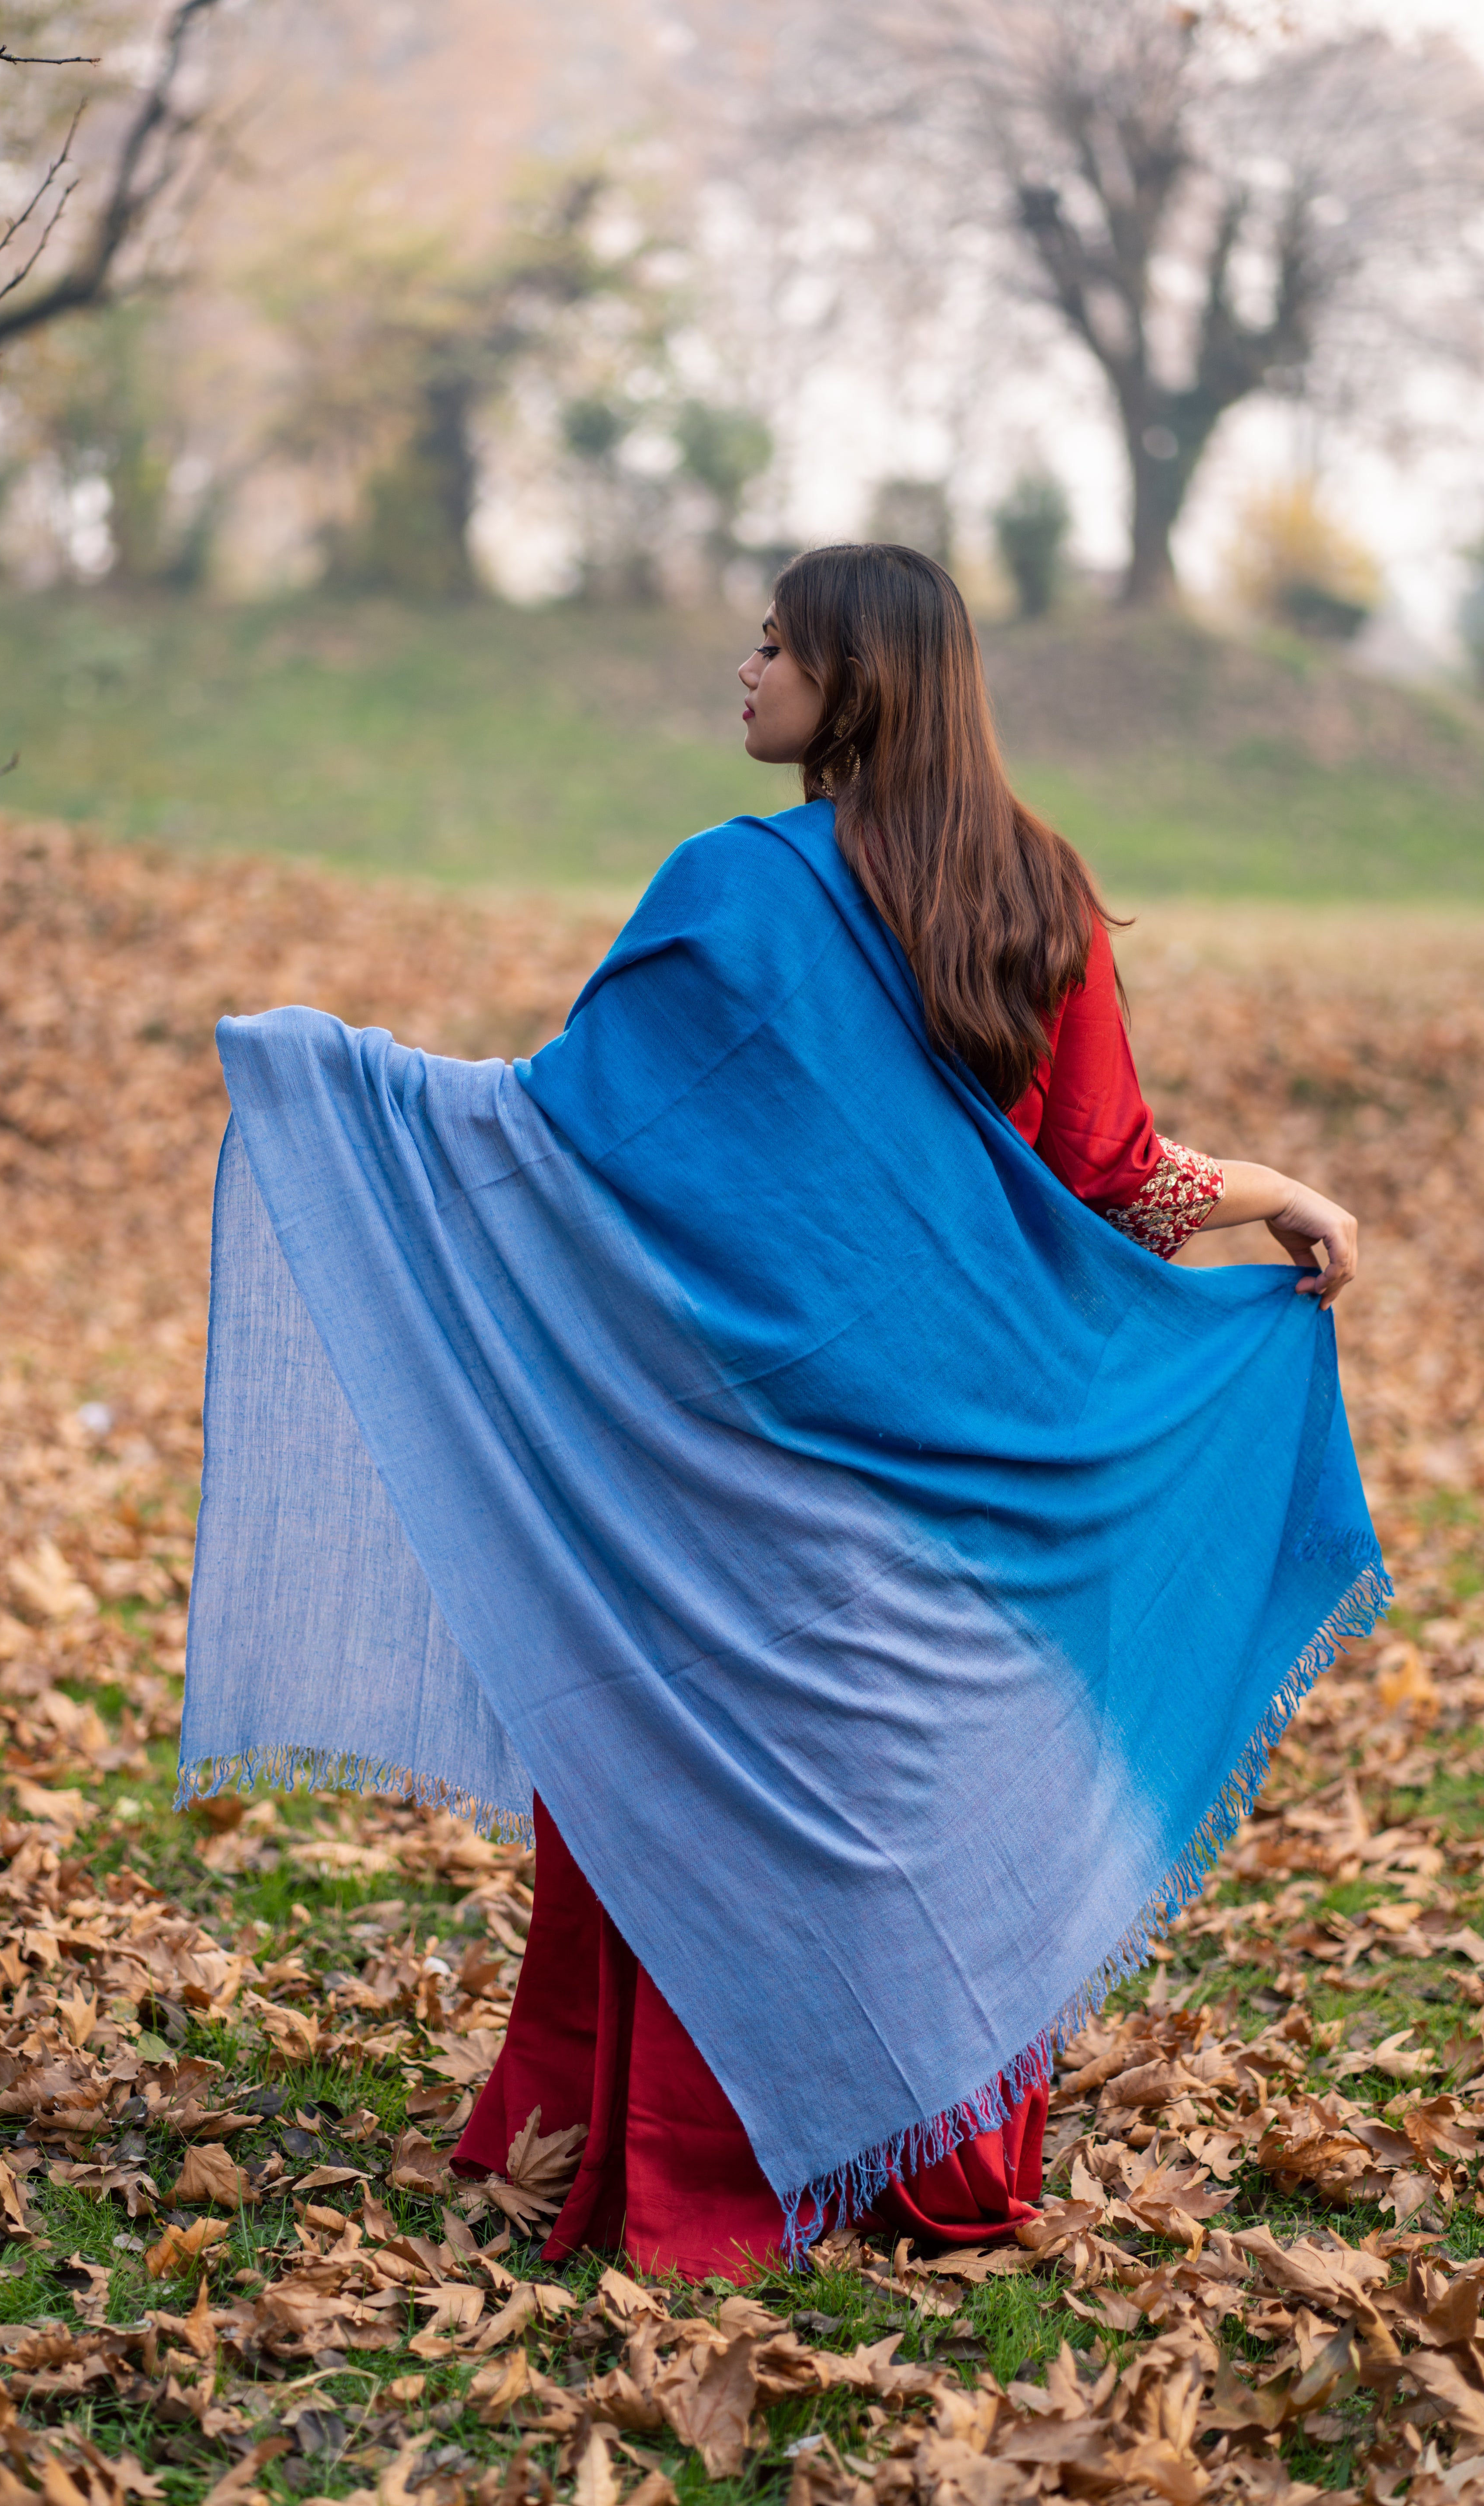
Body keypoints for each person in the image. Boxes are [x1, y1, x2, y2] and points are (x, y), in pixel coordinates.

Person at [181, 544, 1386, 2288]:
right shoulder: (1034, 891)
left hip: (731, 1469)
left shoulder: (728, 893)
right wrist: (1277, 1194)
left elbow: (569, 1153)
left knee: (675, 1765)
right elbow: (1112, 1180)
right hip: (945, 1487)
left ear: (856, 682)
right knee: (908, 1787)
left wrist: (347, 1091)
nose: (742, 673)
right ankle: (925, 2167)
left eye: (775, 647)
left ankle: (668, 2154)